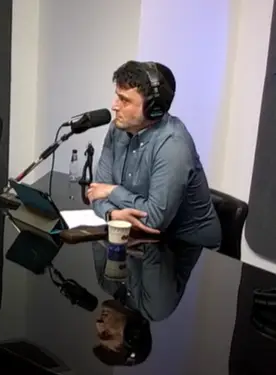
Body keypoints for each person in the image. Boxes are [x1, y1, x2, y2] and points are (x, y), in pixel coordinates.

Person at [86, 60, 221, 249]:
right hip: (139, 240)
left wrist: (112, 191)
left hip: (189, 250)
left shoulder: (173, 144)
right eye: (117, 96)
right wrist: (113, 215)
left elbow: (154, 219)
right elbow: (96, 192)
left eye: (125, 100)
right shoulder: (117, 129)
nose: (114, 106)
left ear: (153, 107)